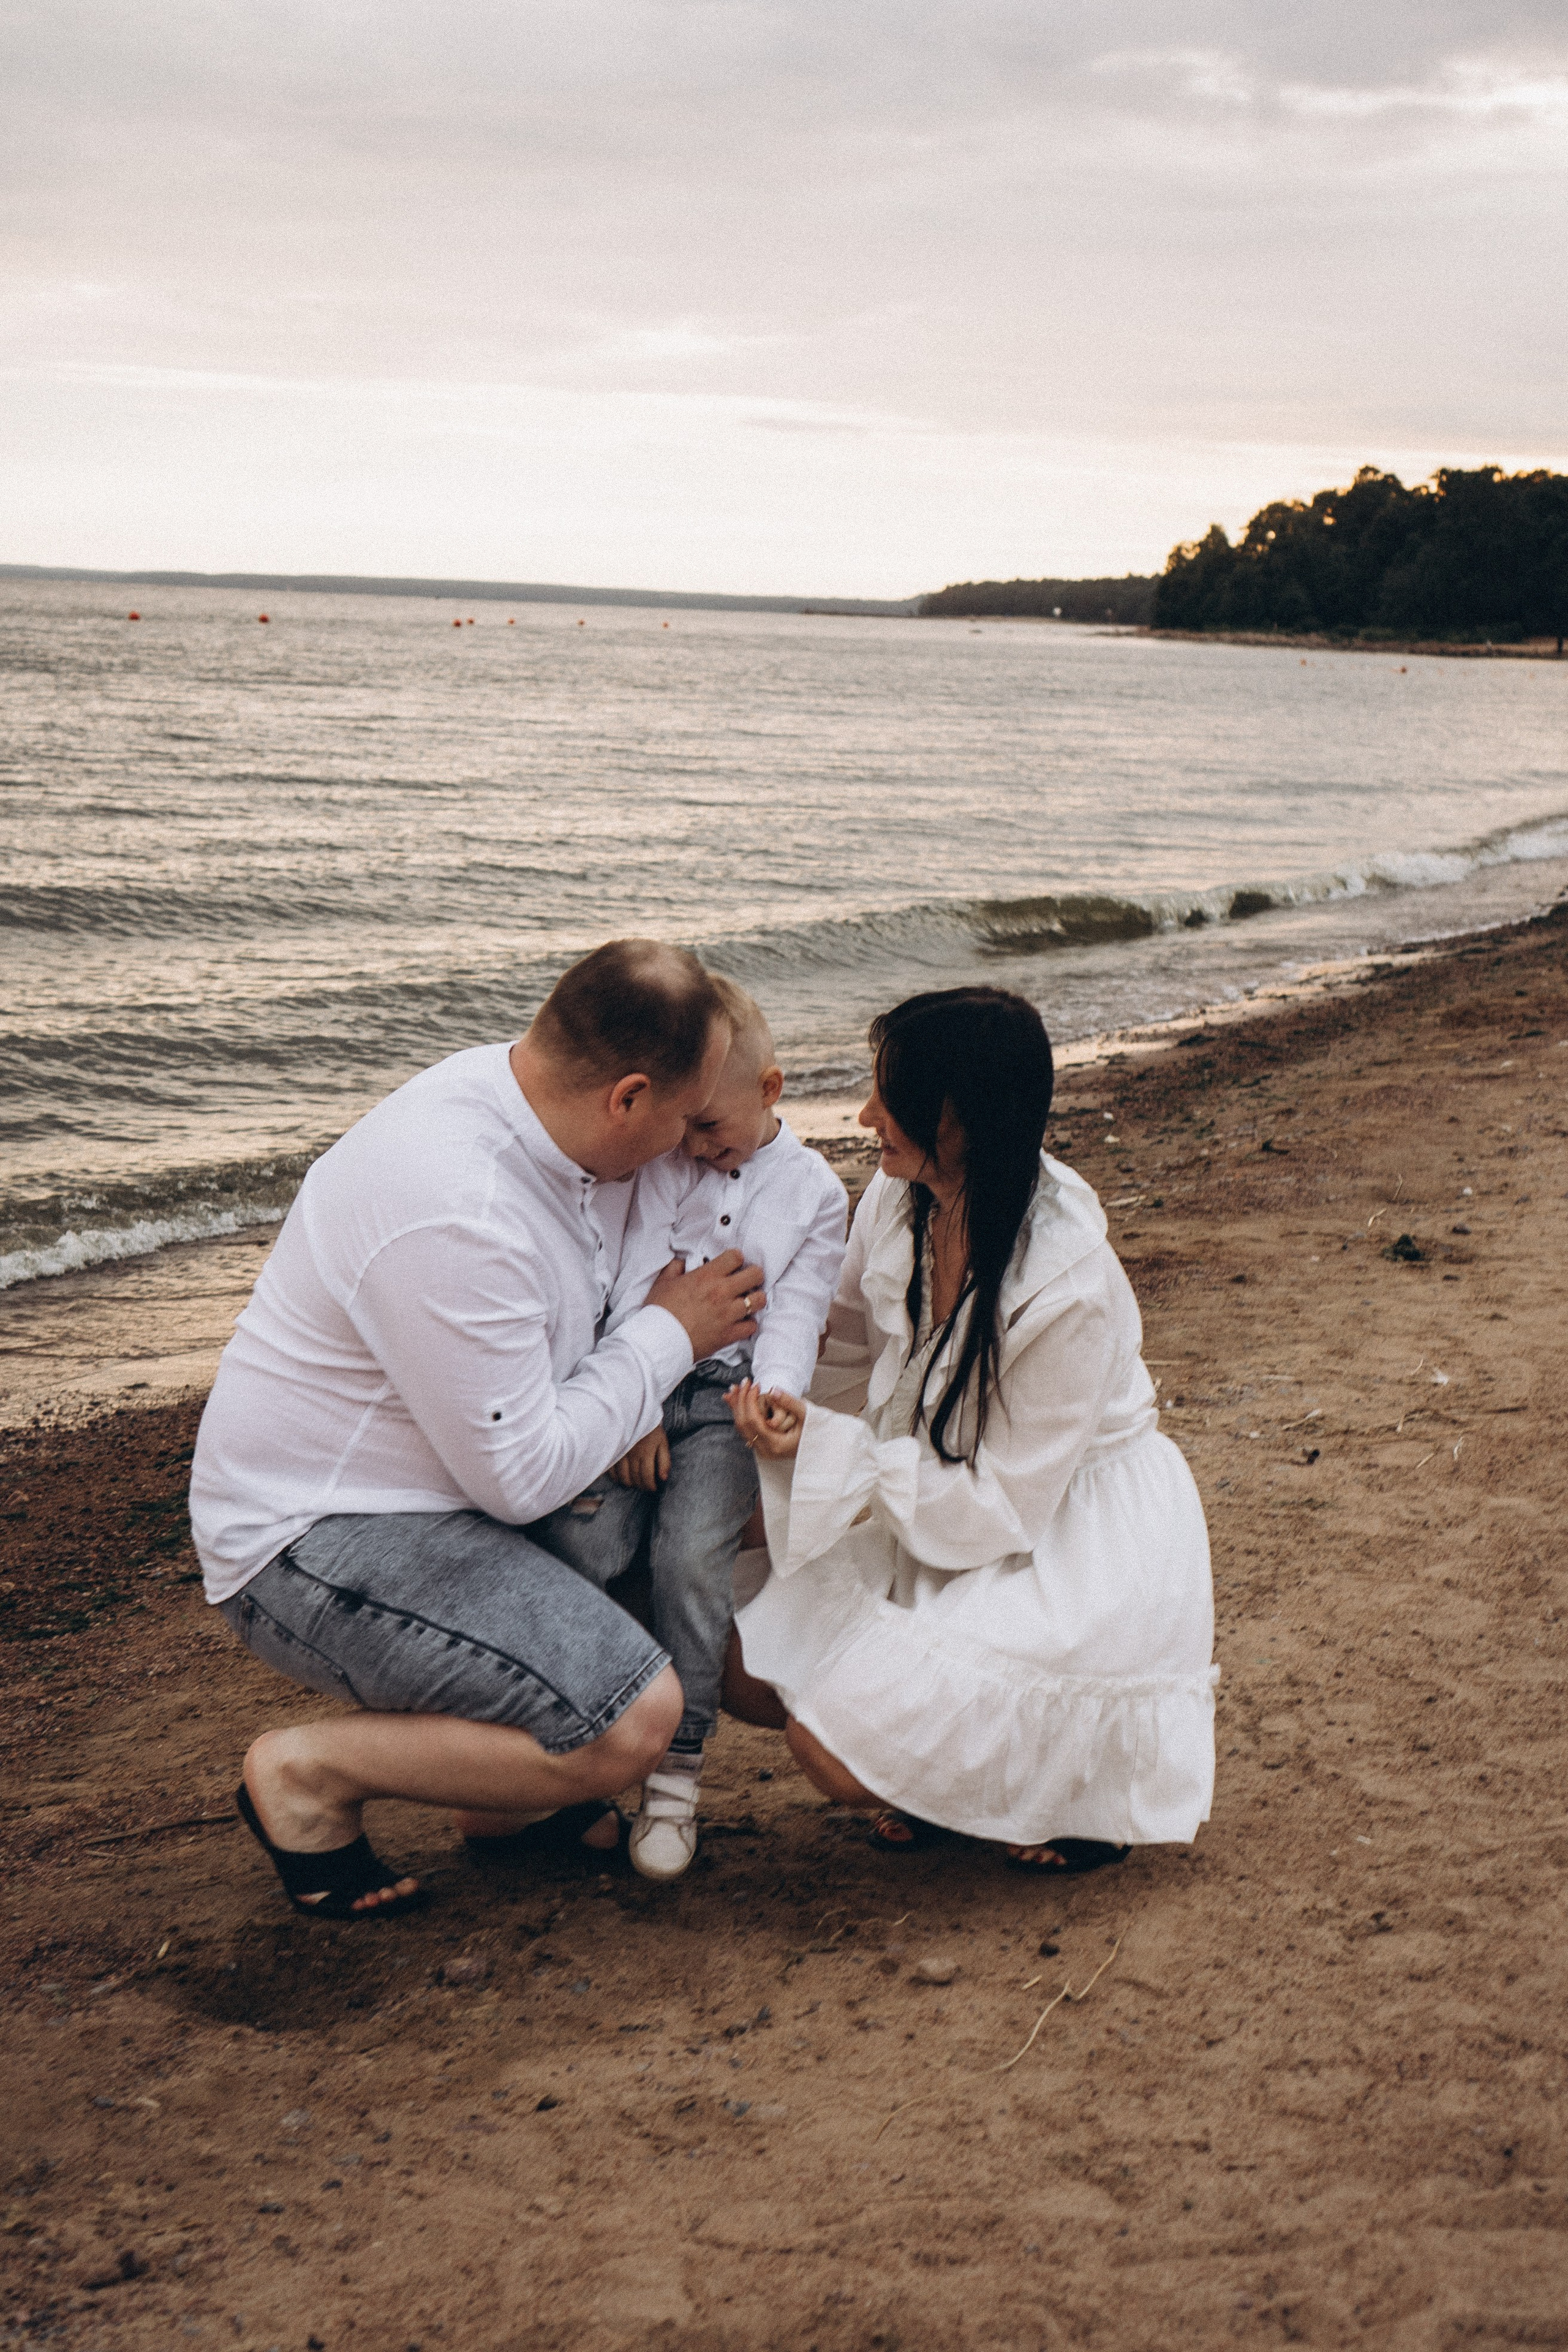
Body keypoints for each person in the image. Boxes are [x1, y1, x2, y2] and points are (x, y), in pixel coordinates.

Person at [189, 940, 767, 1919]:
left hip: (451, 1493)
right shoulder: (457, 1205)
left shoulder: (547, 1115)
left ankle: (507, 1807)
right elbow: (524, 1474)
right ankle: (304, 1776)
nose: (688, 1140)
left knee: (708, 1586)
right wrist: (675, 1334)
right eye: (685, 1113)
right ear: (627, 1098)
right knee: (631, 1718)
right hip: (319, 1536)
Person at [723, 985, 1216, 1873]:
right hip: (931, 1484)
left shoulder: (1068, 1285)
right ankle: (947, 1779)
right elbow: (840, 1346)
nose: (868, 1115)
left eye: (892, 1099)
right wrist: (779, 1404)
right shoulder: (896, 1196)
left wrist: (838, 1462)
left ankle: (1061, 1791)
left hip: (1059, 1535)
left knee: (829, 1753)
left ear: (962, 1121)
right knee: (737, 1663)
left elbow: (1001, 1507)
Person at [529, 976, 847, 1879]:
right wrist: (631, 1407)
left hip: (724, 1407)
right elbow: (632, 1277)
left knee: (692, 1560)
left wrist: (778, 1393)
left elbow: (796, 1306)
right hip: (637, 1383)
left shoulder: (815, 1192)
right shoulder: (666, 1164)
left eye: (712, 1127)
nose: (695, 1146)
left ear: (771, 1091)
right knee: (588, 1548)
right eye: (685, 1126)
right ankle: (581, 1750)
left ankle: (675, 1775)